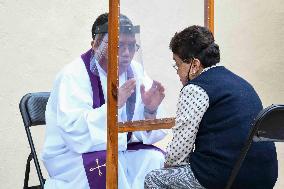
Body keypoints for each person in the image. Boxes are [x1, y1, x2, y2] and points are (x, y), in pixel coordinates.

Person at [42, 13, 167, 189]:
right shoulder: (73, 75)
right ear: (95, 45)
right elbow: (73, 131)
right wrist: (113, 107)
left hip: (118, 148)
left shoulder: (135, 70)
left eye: (132, 46)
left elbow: (142, 131)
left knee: (155, 160)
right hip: (72, 156)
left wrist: (150, 110)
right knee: (109, 168)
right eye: (118, 46)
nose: (126, 53)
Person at [144, 25, 278, 189]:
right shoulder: (240, 83)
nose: (177, 72)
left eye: (178, 64)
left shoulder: (196, 89)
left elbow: (177, 156)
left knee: (155, 179)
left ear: (195, 65)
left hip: (226, 177)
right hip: (265, 176)